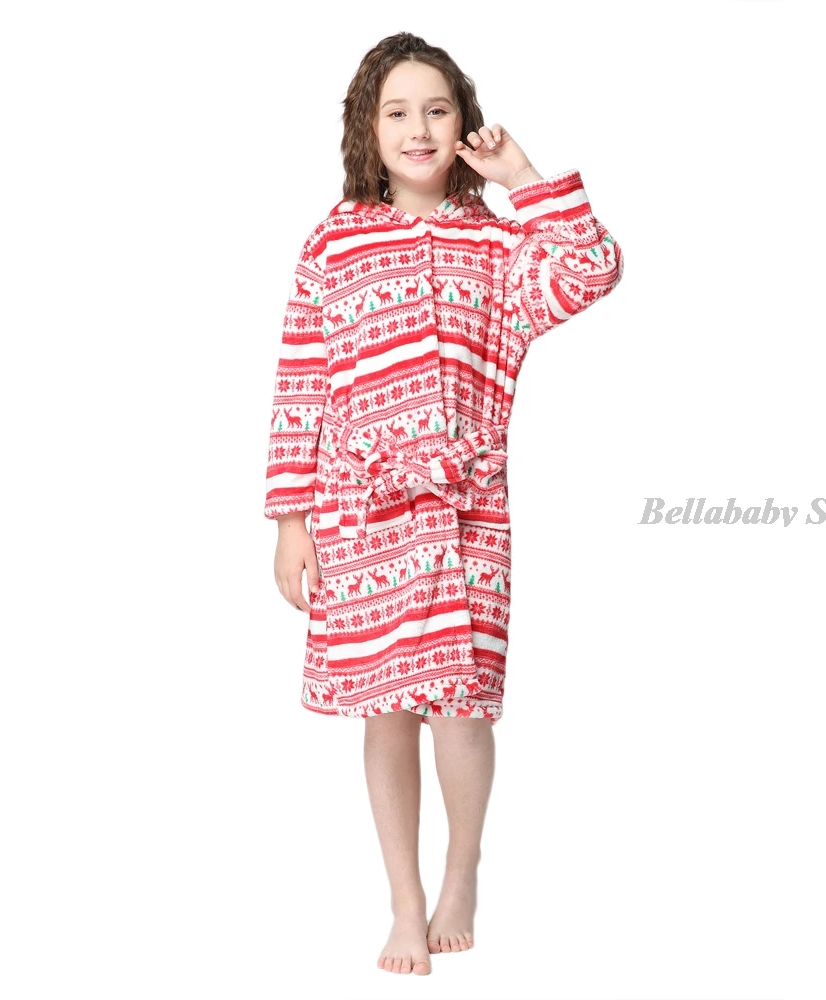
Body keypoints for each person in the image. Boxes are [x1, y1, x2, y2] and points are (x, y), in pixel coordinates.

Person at [263, 31, 624, 976]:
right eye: (397, 112)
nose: (418, 128)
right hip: (359, 514)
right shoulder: (333, 243)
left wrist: (525, 179)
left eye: (437, 109)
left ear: (464, 120)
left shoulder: (499, 247)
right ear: (367, 127)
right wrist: (292, 524)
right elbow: (301, 384)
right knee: (385, 710)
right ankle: (404, 900)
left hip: (467, 513)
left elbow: (592, 269)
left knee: (462, 708)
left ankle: (462, 871)